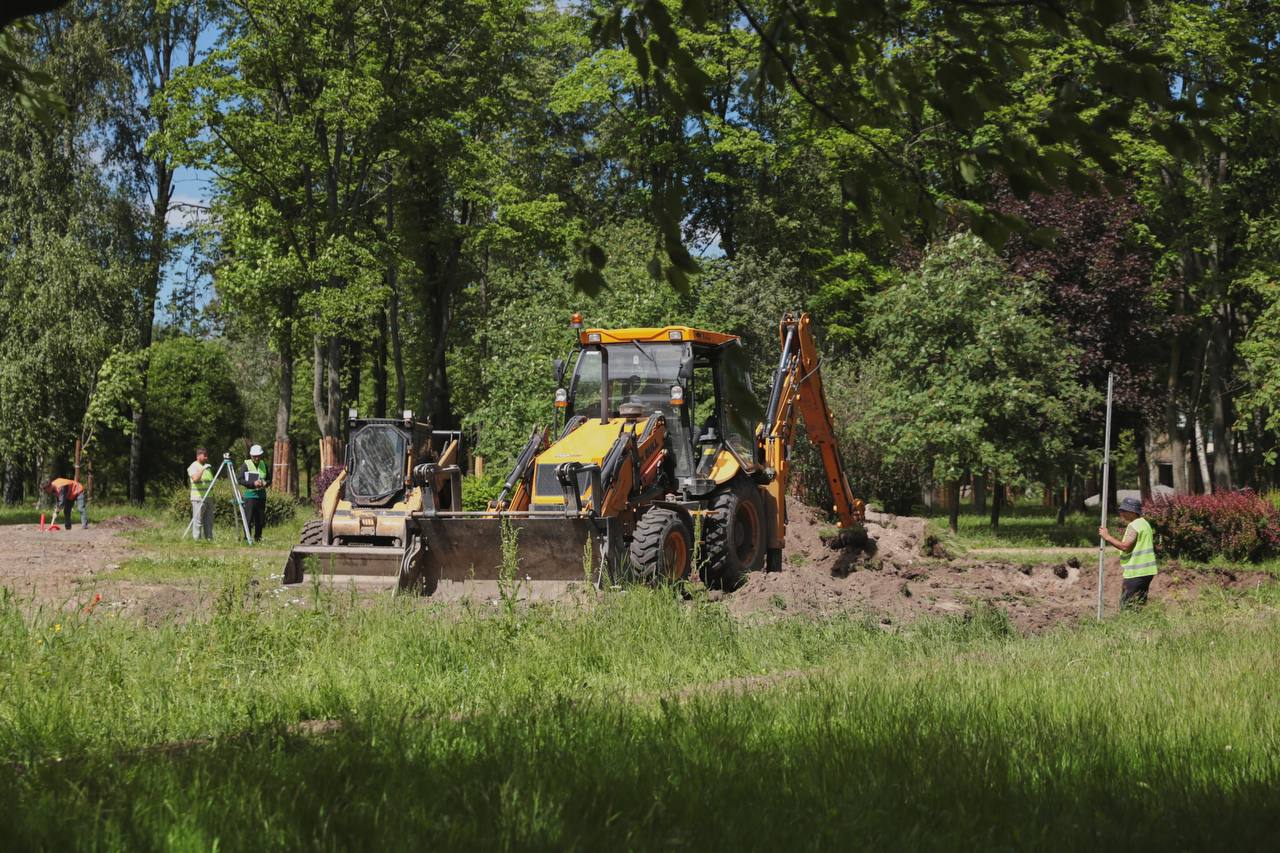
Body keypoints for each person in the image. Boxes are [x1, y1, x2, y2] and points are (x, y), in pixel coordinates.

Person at [1099, 496, 1158, 609]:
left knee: (1127, 606)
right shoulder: (1145, 523)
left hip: (1136, 572)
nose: (1121, 514)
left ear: (1131, 512)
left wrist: (1107, 537)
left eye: (1123, 511)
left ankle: (1129, 624)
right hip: (1147, 571)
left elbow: (1125, 546)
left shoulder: (1134, 525)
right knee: (1139, 604)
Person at [239, 444, 271, 543]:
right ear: (251, 455)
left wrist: (266, 483)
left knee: (260, 519)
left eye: (258, 456)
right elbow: (240, 480)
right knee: (248, 519)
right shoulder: (246, 465)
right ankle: (247, 538)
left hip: (261, 496)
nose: (257, 458)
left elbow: (269, 479)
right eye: (255, 456)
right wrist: (253, 483)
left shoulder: (264, 464)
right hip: (250, 496)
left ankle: (258, 537)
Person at [187, 447, 215, 540]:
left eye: (207, 455)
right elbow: (195, 479)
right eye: (205, 455)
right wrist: (202, 469)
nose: (207, 457)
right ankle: (197, 541)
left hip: (209, 498)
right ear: (198, 455)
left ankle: (209, 540)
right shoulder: (193, 466)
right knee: (198, 521)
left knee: (209, 521)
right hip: (198, 498)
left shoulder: (207, 467)